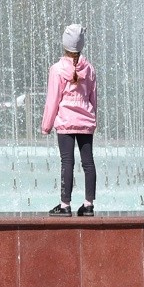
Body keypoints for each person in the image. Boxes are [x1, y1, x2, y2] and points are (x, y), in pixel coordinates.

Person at [40, 24, 98, 217]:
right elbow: (93, 98)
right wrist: (92, 119)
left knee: (67, 162)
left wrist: (46, 126)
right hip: (85, 122)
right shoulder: (89, 68)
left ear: (65, 44)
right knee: (88, 163)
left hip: (65, 121)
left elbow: (52, 99)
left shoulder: (57, 70)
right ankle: (88, 204)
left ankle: (65, 205)